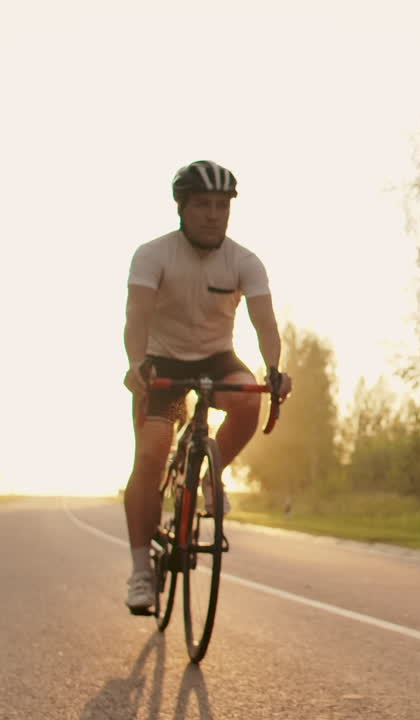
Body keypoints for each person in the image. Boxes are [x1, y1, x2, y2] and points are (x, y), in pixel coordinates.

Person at [121, 160, 292, 614]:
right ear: (181, 207)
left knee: (248, 399)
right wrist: (136, 364)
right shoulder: (153, 255)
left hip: (217, 358)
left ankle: (209, 477)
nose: (213, 215)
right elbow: (137, 316)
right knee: (151, 455)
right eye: (202, 205)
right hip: (162, 359)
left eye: (221, 206)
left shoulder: (244, 261)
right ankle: (140, 573)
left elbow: (265, 323)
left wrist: (274, 369)